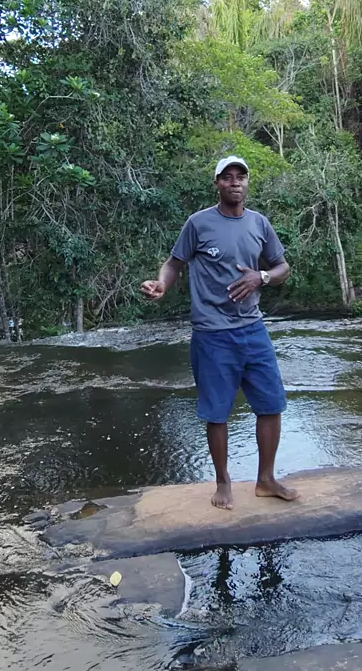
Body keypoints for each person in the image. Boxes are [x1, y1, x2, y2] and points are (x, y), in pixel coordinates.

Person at [141, 156, 297, 510]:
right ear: (217, 183)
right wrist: (161, 284)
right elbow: (174, 263)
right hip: (212, 333)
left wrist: (261, 277)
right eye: (227, 177)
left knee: (271, 404)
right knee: (217, 412)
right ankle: (223, 481)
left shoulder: (259, 223)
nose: (235, 182)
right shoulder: (198, 223)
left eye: (241, 176)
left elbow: (282, 267)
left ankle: (266, 480)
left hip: (253, 328)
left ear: (247, 182)